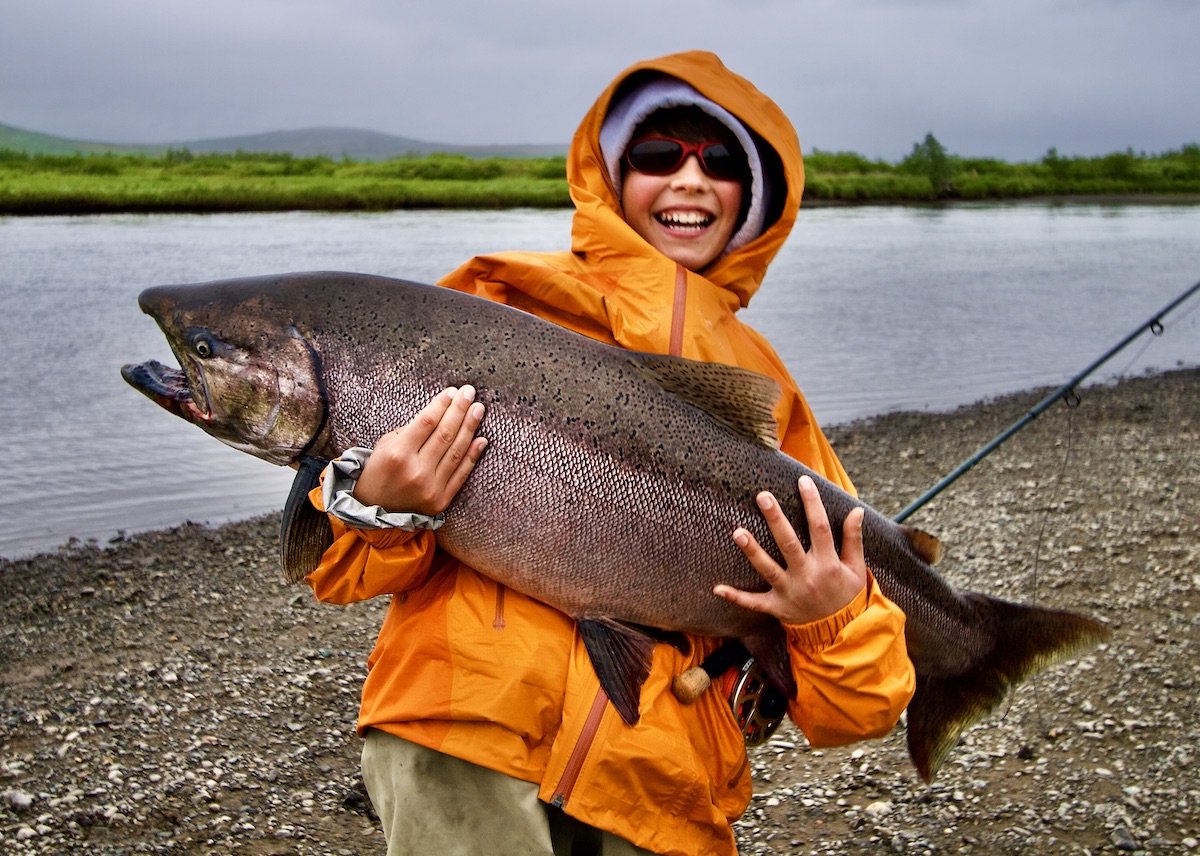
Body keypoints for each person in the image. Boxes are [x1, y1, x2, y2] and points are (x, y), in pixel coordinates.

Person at [305, 50, 915, 856]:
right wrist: (383, 505)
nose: (690, 181)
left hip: (659, 794)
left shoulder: (770, 392)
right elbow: (336, 571)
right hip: (458, 735)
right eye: (660, 155)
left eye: (721, 163)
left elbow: (858, 710)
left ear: (758, 198)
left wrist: (828, 617)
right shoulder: (495, 301)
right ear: (611, 172)